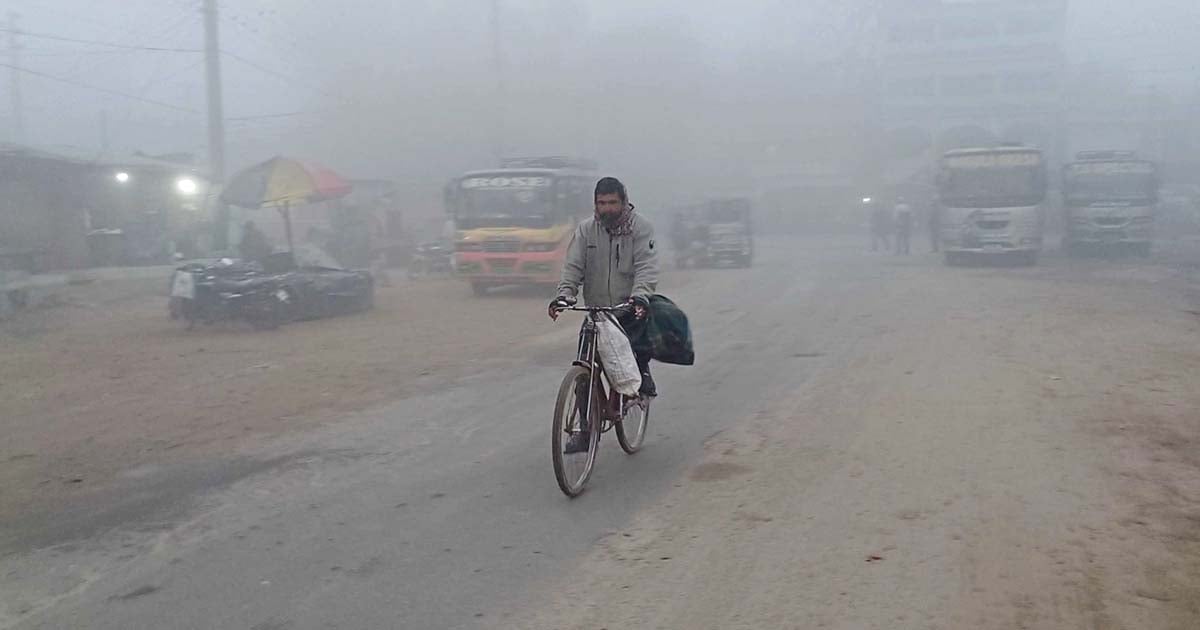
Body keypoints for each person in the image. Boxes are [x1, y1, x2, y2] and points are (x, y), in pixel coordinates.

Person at [550, 177, 660, 453]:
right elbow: (573, 266)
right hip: (596, 310)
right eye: (601, 203)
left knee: (635, 351)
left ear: (624, 201)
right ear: (595, 204)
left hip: (627, 308)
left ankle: (641, 377)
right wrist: (565, 295)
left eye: (612, 202)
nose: (607, 208)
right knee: (584, 368)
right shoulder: (586, 230)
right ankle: (585, 430)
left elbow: (646, 267)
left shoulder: (641, 229)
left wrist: (640, 296)